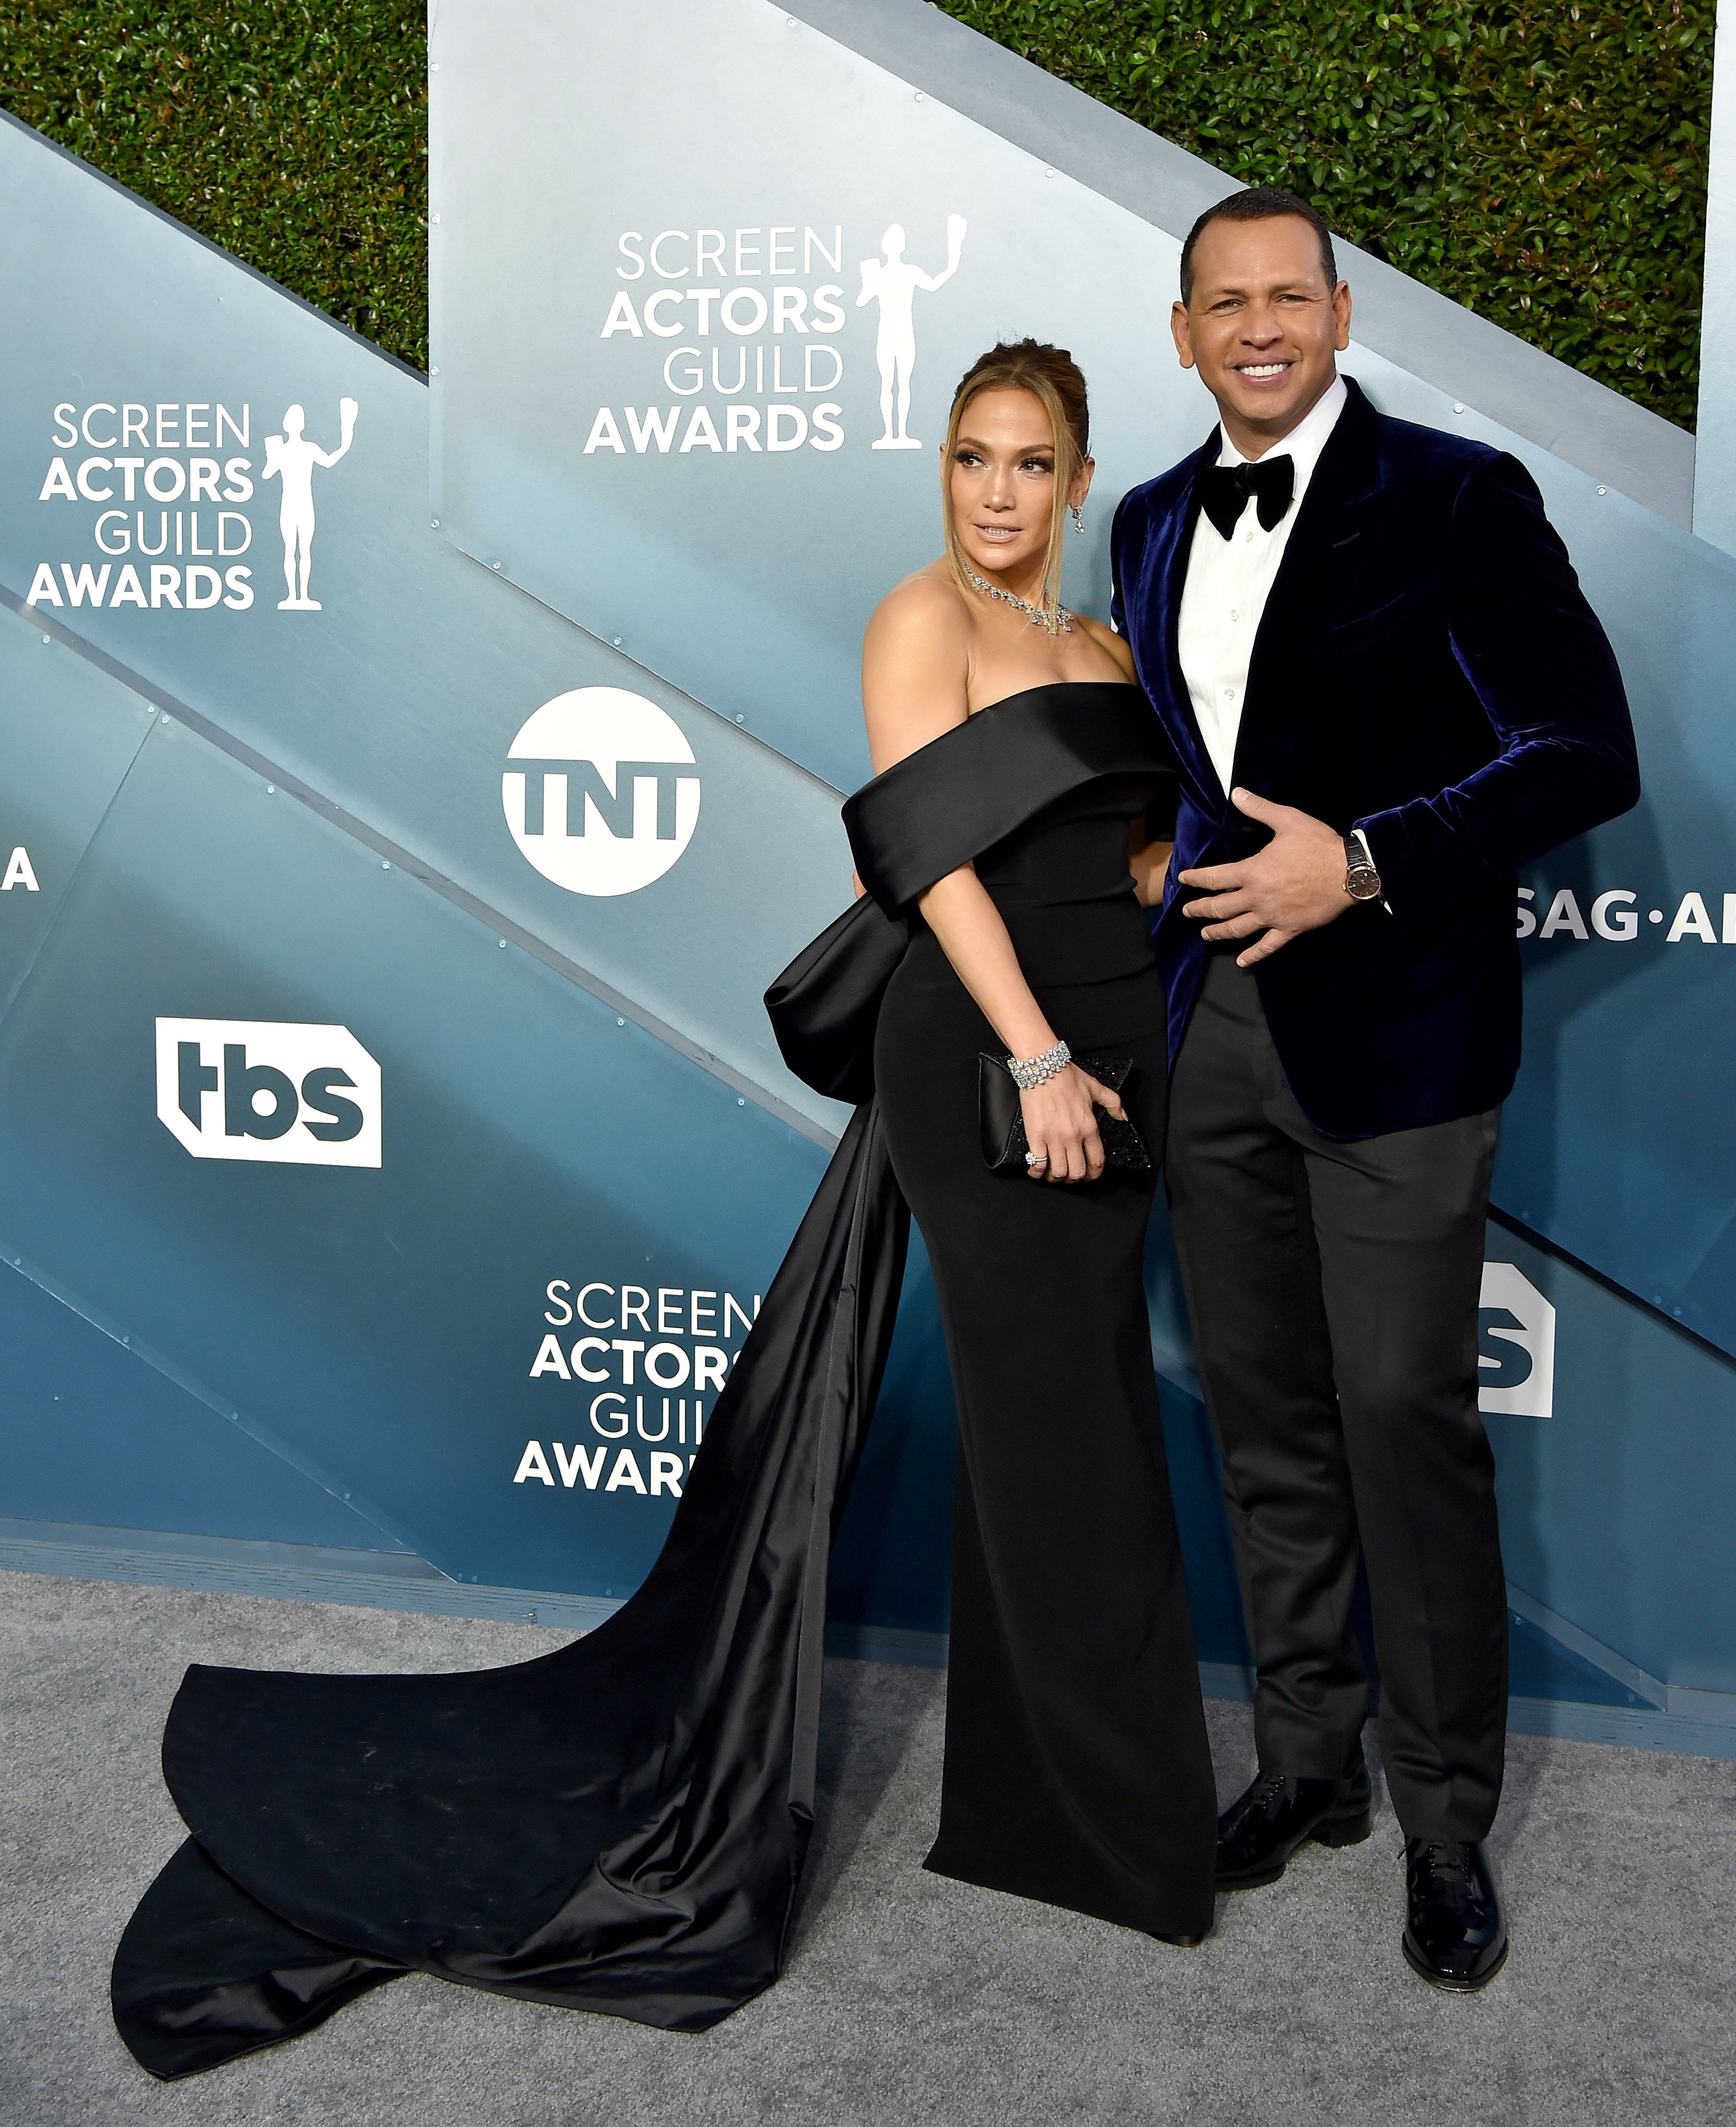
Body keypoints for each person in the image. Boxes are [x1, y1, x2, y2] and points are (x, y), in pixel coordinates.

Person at [109, 341, 1212, 2081]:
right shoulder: (920, 622)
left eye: (1030, 463)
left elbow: (1124, 856)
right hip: (998, 1057)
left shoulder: (1104, 647)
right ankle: (1111, 1824)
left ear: (1080, 480)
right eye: (970, 457)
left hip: (1118, 1054)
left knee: (1061, 1426)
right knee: (1065, 1426)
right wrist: (1034, 1060)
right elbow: (924, 864)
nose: (996, 493)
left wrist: (1207, 893)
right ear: (947, 471)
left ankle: (1045, 1816)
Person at [1110, 186, 1640, 1991]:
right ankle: (1306, 1764)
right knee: (1263, 1418)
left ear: (1339, 313)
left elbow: (1583, 747)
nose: (1256, 327)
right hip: (1214, 1032)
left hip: (1401, 1027)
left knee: (1405, 1418)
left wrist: (1362, 860)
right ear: (1178, 330)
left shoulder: (1459, 497)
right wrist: (1157, 857)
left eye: (1288, 296)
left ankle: (1442, 1821)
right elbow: (1198, 754)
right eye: (1221, 303)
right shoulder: (1146, 522)